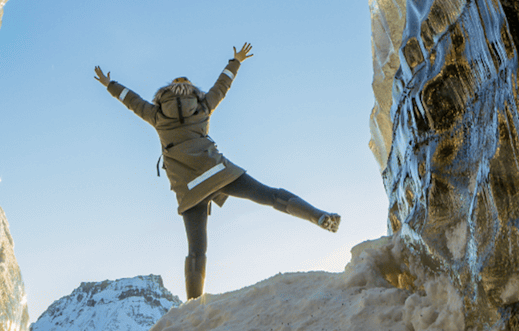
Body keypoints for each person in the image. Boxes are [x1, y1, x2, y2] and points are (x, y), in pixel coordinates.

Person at [94, 42, 340, 300]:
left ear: (165, 92)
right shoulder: (202, 106)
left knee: (196, 250)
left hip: (188, 188)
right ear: (192, 90)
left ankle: (192, 305)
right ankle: (320, 217)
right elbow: (221, 87)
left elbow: (131, 101)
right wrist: (236, 61)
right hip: (218, 172)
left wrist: (110, 85)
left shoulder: (156, 115)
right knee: (269, 195)